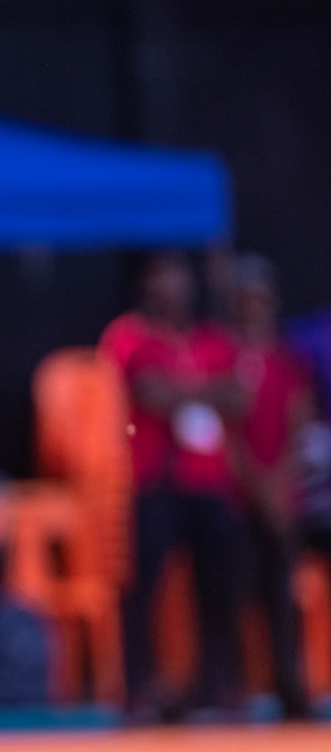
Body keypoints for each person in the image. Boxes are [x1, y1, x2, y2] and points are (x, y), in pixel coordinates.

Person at [99, 253, 247, 719]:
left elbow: (239, 396)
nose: (173, 285)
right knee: (142, 590)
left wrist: (184, 391)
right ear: (146, 283)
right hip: (155, 480)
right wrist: (209, 390)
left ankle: (217, 685)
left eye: (179, 274)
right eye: (163, 275)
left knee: (220, 586)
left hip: (208, 482)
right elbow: (148, 391)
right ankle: (140, 689)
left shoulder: (212, 338)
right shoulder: (130, 335)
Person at [231, 255, 313, 719]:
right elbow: (228, 429)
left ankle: (290, 685)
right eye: (247, 298)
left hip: (281, 498)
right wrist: (256, 486)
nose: (255, 307)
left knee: (283, 594)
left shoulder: (285, 361)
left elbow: (299, 425)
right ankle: (238, 690)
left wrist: (278, 486)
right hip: (240, 496)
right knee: (236, 595)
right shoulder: (226, 357)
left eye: (261, 298)